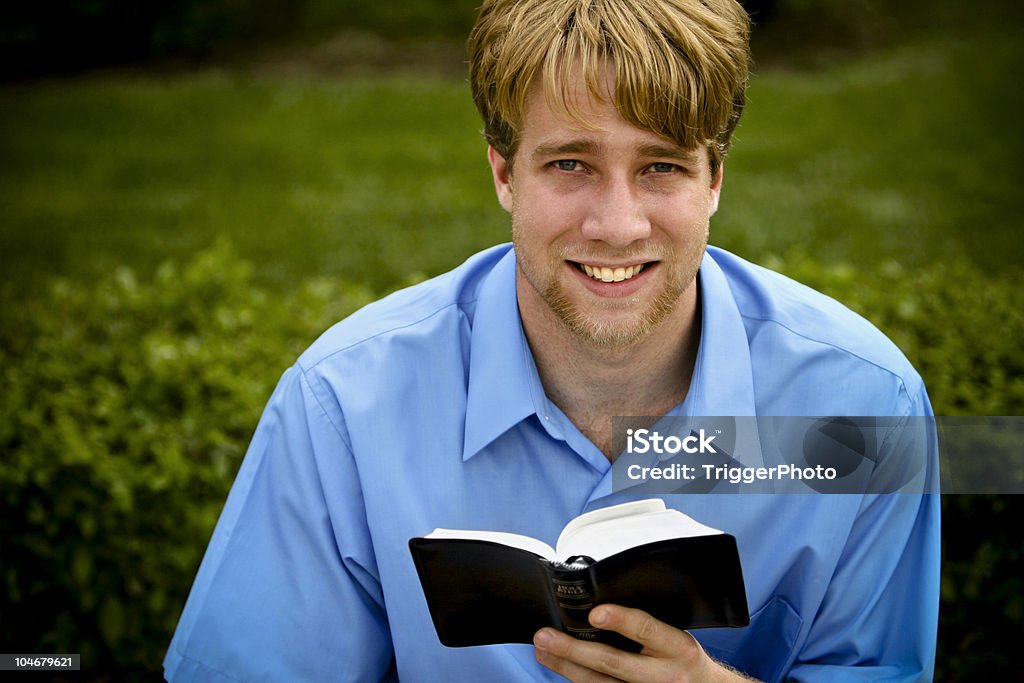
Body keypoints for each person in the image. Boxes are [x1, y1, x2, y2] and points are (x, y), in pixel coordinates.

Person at [163, 0, 939, 680]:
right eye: (570, 163)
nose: (616, 226)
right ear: (503, 173)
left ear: (715, 180)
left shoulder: (871, 405)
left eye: (661, 166)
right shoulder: (339, 403)